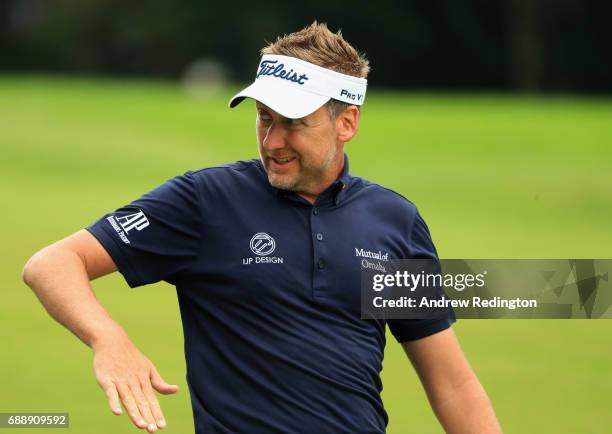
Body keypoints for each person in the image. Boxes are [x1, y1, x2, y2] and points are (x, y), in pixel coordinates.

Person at [22, 22, 501, 434]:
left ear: (347, 122)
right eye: (263, 118)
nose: (272, 141)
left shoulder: (394, 221)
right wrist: (109, 339)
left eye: (293, 122)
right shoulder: (205, 201)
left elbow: (452, 383)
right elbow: (53, 264)